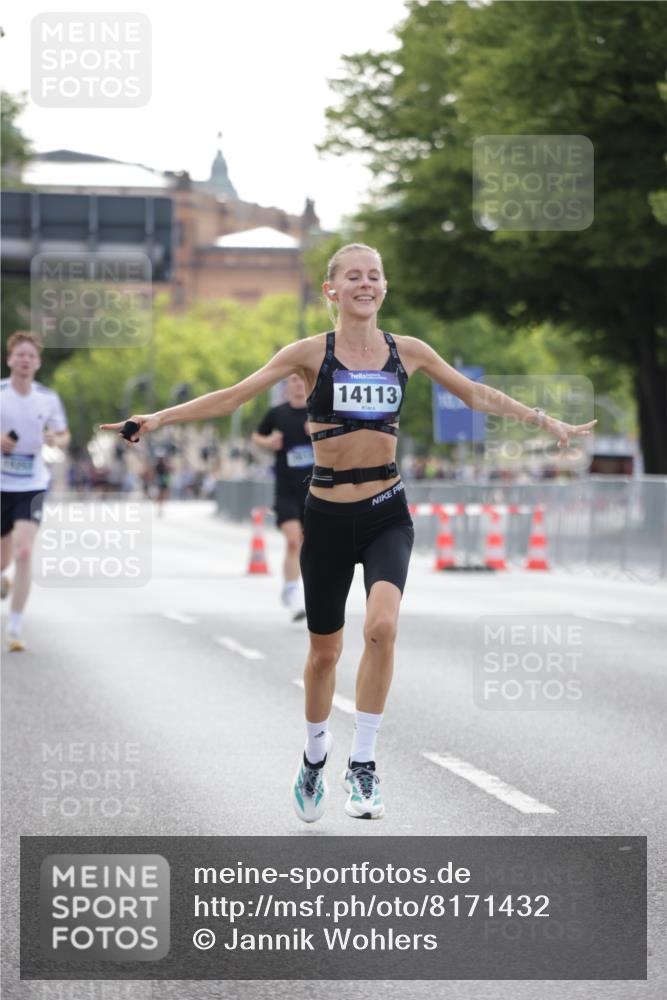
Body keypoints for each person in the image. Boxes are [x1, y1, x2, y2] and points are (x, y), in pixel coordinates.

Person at [101, 243, 596, 822]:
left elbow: (474, 393)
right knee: (323, 655)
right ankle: (315, 754)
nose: (366, 284)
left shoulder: (408, 351)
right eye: (354, 276)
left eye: (375, 276)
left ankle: (363, 764)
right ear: (332, 290)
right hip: (328, 516)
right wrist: (158, 418)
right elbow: (234, 396)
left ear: (384, 288)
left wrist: (543, 419)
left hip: (387, 509)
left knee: (382, 629)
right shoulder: (309, 353)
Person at [1, 332, 70, 651]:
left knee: (24, 552)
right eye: (20, 355)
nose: (25, 360)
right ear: (10, 359)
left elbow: (64, 434)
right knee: (2, 561)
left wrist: (57, 439)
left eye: (31, 356)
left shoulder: (47, 398)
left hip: (31, 484)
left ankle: (15, 628)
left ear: (38, 363)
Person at [252, 373, 313, 621]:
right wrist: (269, 442)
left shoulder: (318, 413)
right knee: (292, 541)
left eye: (302, 380)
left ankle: (303, 590)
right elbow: (257, 436)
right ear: (286, 385)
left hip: (314, 491)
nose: (298, 384)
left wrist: (319, 432)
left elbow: (341, 439)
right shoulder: (278, 414)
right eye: (293, 380)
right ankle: (291, 591)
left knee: (308, 546)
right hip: (286, 490)